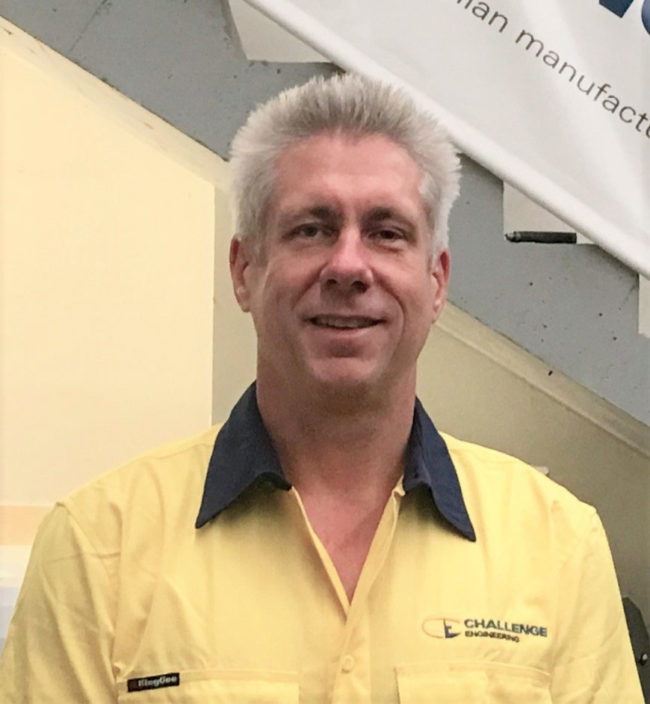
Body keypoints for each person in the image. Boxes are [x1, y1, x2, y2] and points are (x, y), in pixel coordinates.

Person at [0, 73, 642, 703]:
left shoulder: (557, 544)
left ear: (436, 281)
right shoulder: (97, 547)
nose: (348, 266)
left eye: (387, 232)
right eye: (311, 228)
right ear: (244, 270)